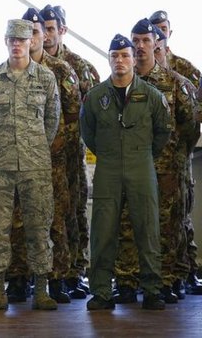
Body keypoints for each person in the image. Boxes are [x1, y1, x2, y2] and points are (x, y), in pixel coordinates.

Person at [80, 33, 171, 311]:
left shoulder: (152, 96)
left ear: (133, 59)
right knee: (103, 232)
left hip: (141, 166)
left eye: (124, 56)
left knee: (148, 229)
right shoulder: (96, 97)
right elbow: (88, 133)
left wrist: (141, 155)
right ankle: (101, 292)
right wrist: (109, 153)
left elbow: (162, 133)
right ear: (109, 60)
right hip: (108, 167)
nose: (119, 60)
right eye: (114, 56)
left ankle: (152, 290)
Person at [113, 19, 198, 304]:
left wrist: (173, 158)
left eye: (146, 41)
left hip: (166, 171)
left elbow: (190, 128)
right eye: (135, 41)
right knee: (127, 223)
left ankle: (165, 280)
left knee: (166, 226)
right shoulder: (119, 82)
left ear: (157, 44)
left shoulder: (176, 84)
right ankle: (126, 280)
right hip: (129, 168)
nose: (139, 46)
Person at [0, 18, 60, 312]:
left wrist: (34, 146)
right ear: (6, 42)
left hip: (35, 165)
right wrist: (3, 144)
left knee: (39, 227)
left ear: (31, 42)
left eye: (22, 40)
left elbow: (52, 120)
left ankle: (41, 290)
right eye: (12, 40)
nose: (17, 45)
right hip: (2, 165)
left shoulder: (45, 78)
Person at [6, 8, 82, 304]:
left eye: (36, 32)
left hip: (52, 161)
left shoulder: (60, 71)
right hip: (16, 161)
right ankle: (18, 279)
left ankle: (56, 279)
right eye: (26, 34)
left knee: (55, 220)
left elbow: (73, 116)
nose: (33, 38)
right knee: (17, 221)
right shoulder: (6, 71)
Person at [39, 5, 94, 298]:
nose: (47, 35)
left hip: (71, 154)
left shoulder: (77, 66)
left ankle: (74, 271)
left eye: (51, 29)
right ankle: (44, 273)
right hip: (39, 156)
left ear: (62, 30)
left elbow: (91, 110)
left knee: (73, 211)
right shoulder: (27, 63)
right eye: (43, 29)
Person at [150, 9, 202, 296]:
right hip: (149, 160)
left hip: (178, 157)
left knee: (180, 216)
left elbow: (194, 117)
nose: (160, 32)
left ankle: (185, 271)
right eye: (155, 28)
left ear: (170, 32)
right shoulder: (140, 69)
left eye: (163, 28)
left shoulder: (184, 69)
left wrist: (183, 148)